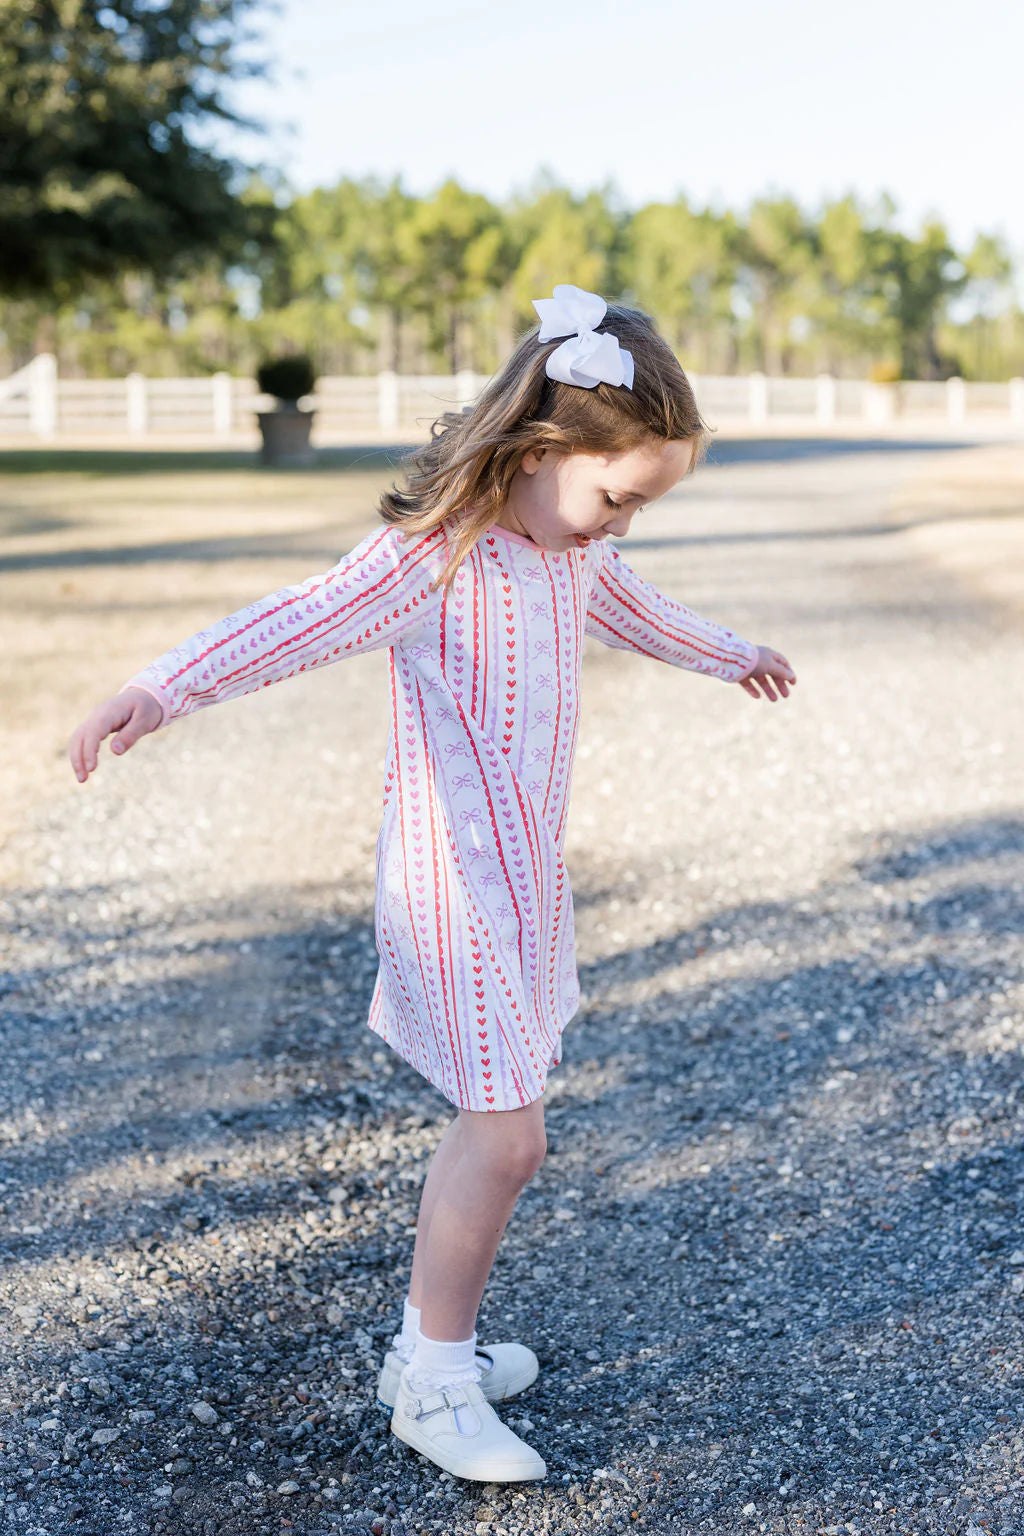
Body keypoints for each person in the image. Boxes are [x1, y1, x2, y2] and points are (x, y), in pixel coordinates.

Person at [68, 283, 796, 1485]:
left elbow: (637, 606)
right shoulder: (432, 556)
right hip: (448, 885)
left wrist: (732, 656)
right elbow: (297, 618)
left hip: (521, 879)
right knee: (506, 1139)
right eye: (614, 497)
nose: (615, 529)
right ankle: (436, 1382)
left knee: (501, 1124)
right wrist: (162, 687)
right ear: (541, 447)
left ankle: (425, 1357)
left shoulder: (570, 555)